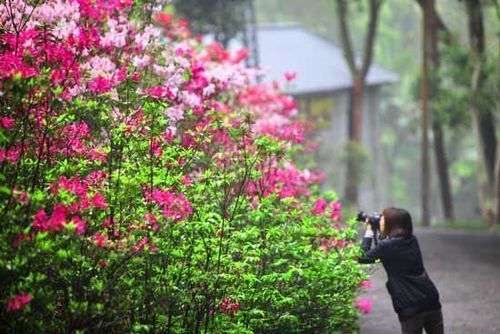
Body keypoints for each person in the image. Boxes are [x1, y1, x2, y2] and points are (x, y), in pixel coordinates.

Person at [359, 207, 444, 334]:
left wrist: (369, 231)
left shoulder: (387, 246)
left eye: (382, 219)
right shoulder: (412, 240)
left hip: (410, 306)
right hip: (431, 299)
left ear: (391, 224)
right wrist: (379, 231)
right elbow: (386, 246)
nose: (380, 221)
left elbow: (362, 257)